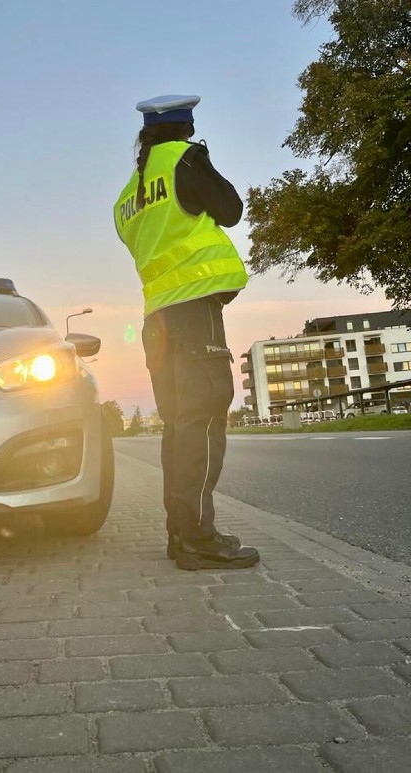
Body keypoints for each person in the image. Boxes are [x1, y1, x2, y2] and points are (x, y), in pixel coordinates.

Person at [113, 94, 260, 570]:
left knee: (179, 427)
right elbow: (231, 208)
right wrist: (203, 160)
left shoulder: (127, 198)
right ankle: (199, 538)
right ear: (186, 127)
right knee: (204, 422)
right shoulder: (185, 160)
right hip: (194, 314)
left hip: (157, 321)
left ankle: (183, 537)